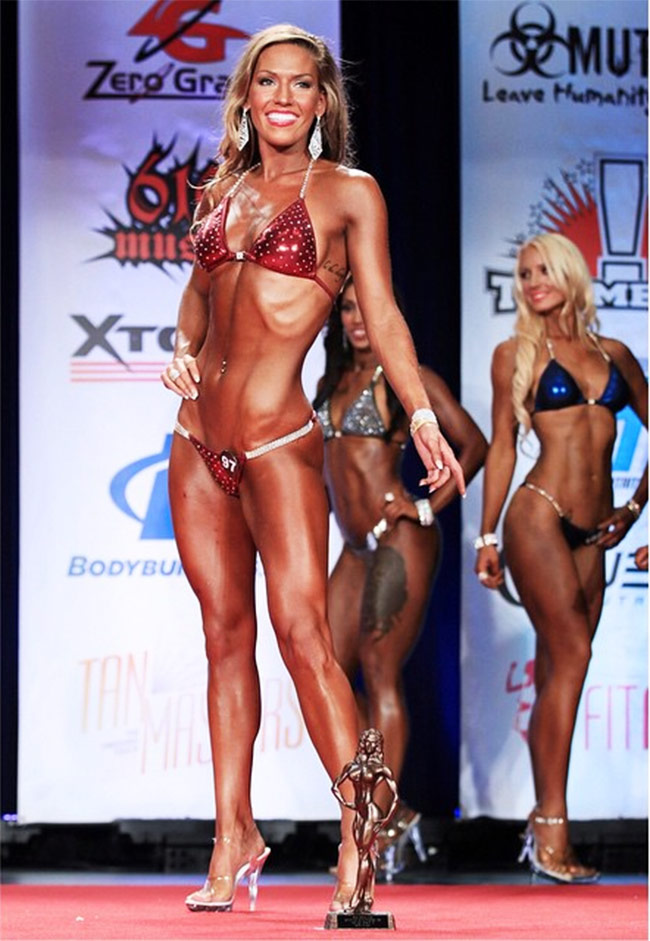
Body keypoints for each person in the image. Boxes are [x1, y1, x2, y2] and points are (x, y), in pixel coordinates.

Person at [161, 23, 465, 914]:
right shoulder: (221, 189)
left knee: (303, 638)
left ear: (323, 100)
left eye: (301, 84)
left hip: (275, 443)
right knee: (224, 638)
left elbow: (388, 316)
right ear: (247, 97)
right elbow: (195, 304)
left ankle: (358, 842)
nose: (284, 98)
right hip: (195, 441)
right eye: (268, 83)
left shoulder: (347, 193)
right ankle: (232, 839)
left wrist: (417, 410)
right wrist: (181, 352)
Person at [475, 232, 647, 883]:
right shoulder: (514, 354)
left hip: (595, 531)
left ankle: (544, 825)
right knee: (573, 657)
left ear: (571, 274)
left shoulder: (616, 356)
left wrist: (632, 511)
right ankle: (552, 828)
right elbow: (499, 448)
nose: (531, 281)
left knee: (559, 675)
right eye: (523, 273)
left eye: (542, 269)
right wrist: (486, 535)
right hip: (537, 515)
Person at [314, 277, 486, 877]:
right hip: (354, 547)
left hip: (400, 538)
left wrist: (423, 506)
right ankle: (394, 809)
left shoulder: (403, 377)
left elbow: (473, 443)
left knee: (382, 674)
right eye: (348, 310)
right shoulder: (330, 382)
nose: (358, 320)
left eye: (367, 310)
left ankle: (373, 830)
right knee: (325, 669)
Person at [331, 728, 399, 912]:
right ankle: (366, 895)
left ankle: (358, 895)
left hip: (371, 811)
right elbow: (335, 786)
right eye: (367, 741)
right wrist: (346, 803)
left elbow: (395, 796)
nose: (369, 745)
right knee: (365, 853)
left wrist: (385, 818)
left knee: (362, 853)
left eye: (373, 742)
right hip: (359, 810)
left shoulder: (379, 768)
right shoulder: (353, 766)